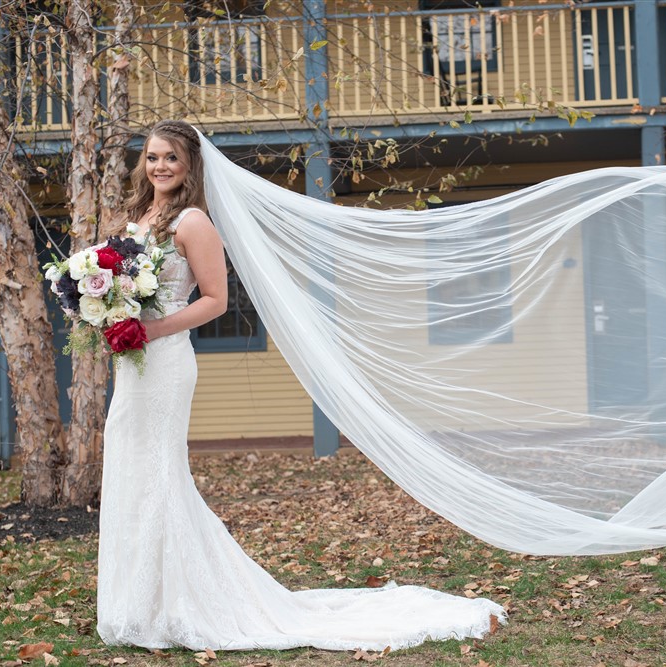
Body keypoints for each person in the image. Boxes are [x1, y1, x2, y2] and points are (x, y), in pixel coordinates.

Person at [96, 119, 505, 652]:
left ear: (190, 164)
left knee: (160, 473)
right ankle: (141, 603)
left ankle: (179, 603)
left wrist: (149, 328)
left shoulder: (193, 222)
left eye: (171, 158)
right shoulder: (135, 216)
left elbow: (214, 300)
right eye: (152, 157)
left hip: (165, 358)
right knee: (129, 465)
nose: (160, 167)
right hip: (133, 361)